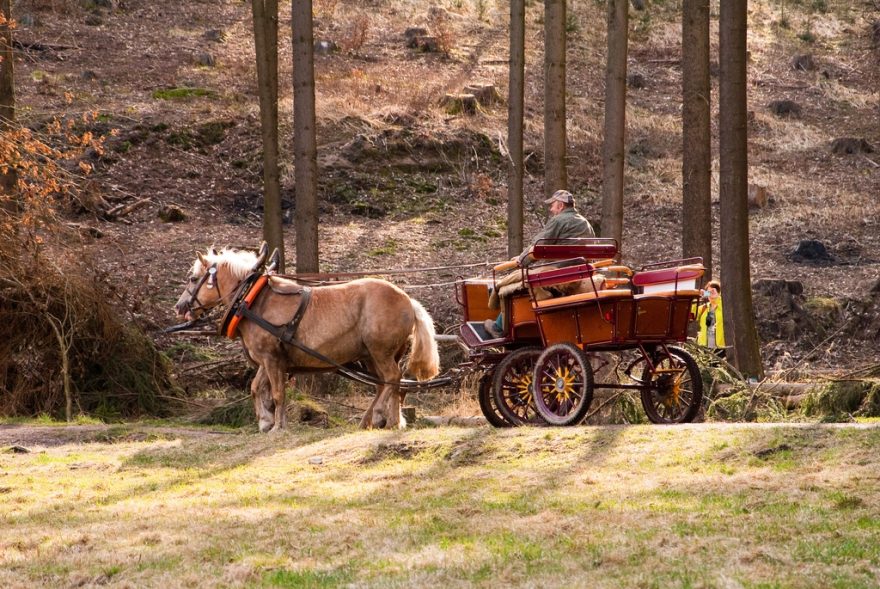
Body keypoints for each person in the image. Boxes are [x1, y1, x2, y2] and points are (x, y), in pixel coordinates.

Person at [483, 189, 595, 338]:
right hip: (579, 273)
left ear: (561, 205)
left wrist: (521, 260)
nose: (551, 209)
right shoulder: (585, 223)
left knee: (510, 283)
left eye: (553, 205)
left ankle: (499, 326)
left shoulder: (559, 220)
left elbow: (538, 246)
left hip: (559, 273)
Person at [696, 279, 725, 356]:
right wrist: (697, 297)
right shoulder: (703, 308)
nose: (710, 294)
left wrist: (717, 297)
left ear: (719, 293)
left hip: (720, 349)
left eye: (713, 291)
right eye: (708, 292)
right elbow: (691, 313)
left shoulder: (724, 308)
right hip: (703, 348)